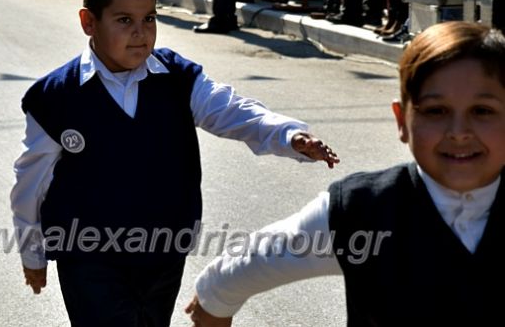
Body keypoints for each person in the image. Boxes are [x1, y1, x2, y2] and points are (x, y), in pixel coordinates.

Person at [11, 0, 340, 327]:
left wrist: (287, 134)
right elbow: (30, 183)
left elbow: (231, 110)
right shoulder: (55, 97)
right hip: (89, 255)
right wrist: (32, 253)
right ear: (89, 22)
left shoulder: (176, 78)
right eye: (124, 21)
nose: (140, 32)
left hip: (163, 250)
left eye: (149, 18)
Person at [186, 20, 505, 326]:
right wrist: (213, 299)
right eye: (436, 111)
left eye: (483, 111)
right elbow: (230, 278)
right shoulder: (361, 210)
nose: (459, 132)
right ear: (401, 120)